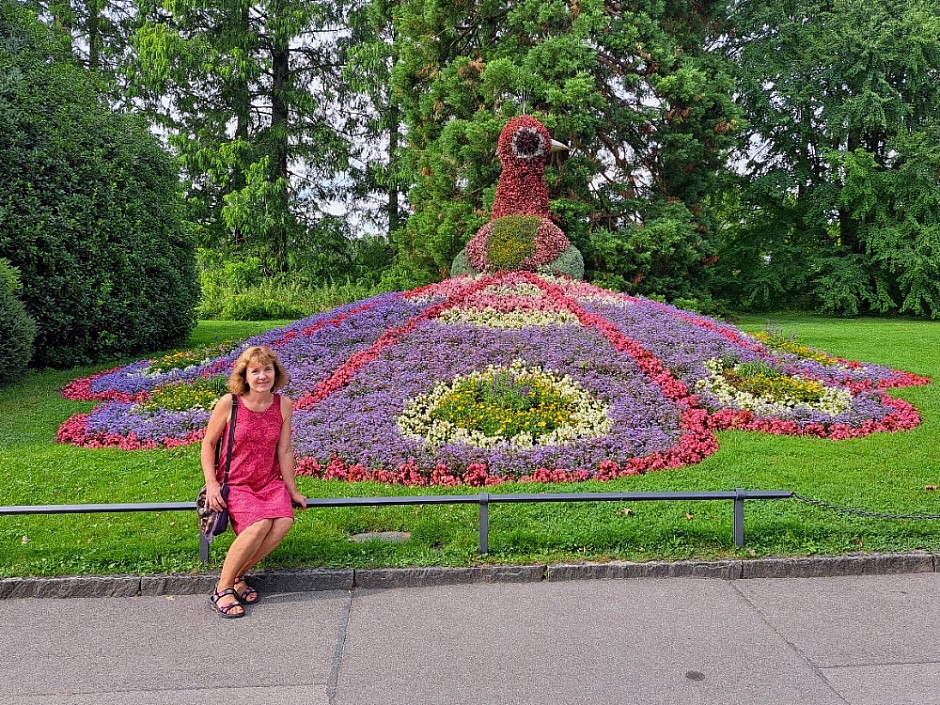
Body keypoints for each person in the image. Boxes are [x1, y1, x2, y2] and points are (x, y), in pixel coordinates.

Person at [201, 345, 306, 618]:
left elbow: (284, 450)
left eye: (267, 370)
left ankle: (238, 576)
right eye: (255, 371)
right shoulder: (230, 403)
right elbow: (208, 444)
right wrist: (212, 484)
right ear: (244, 376)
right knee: (259, 524)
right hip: (236, 482)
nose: (262, 376)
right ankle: (222, 588)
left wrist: (292, 490)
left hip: (268, 481)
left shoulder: (283, 405)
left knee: (283, 521)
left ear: (276, 373)